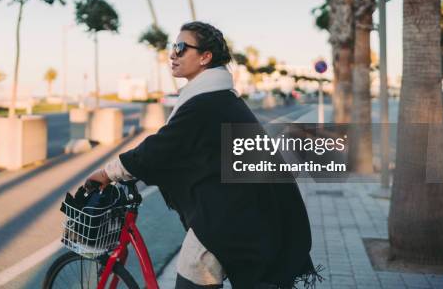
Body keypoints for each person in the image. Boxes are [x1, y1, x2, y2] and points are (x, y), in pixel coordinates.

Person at [86, 21, 321, 288]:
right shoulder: (218, 96)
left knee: (193, 266)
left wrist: (107, 172)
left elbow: (160, 148)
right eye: (173, 47)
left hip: (234, 215)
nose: (173, 54)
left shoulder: (205, 102)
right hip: (251, 210)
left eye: (181, 47)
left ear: (205, 57)